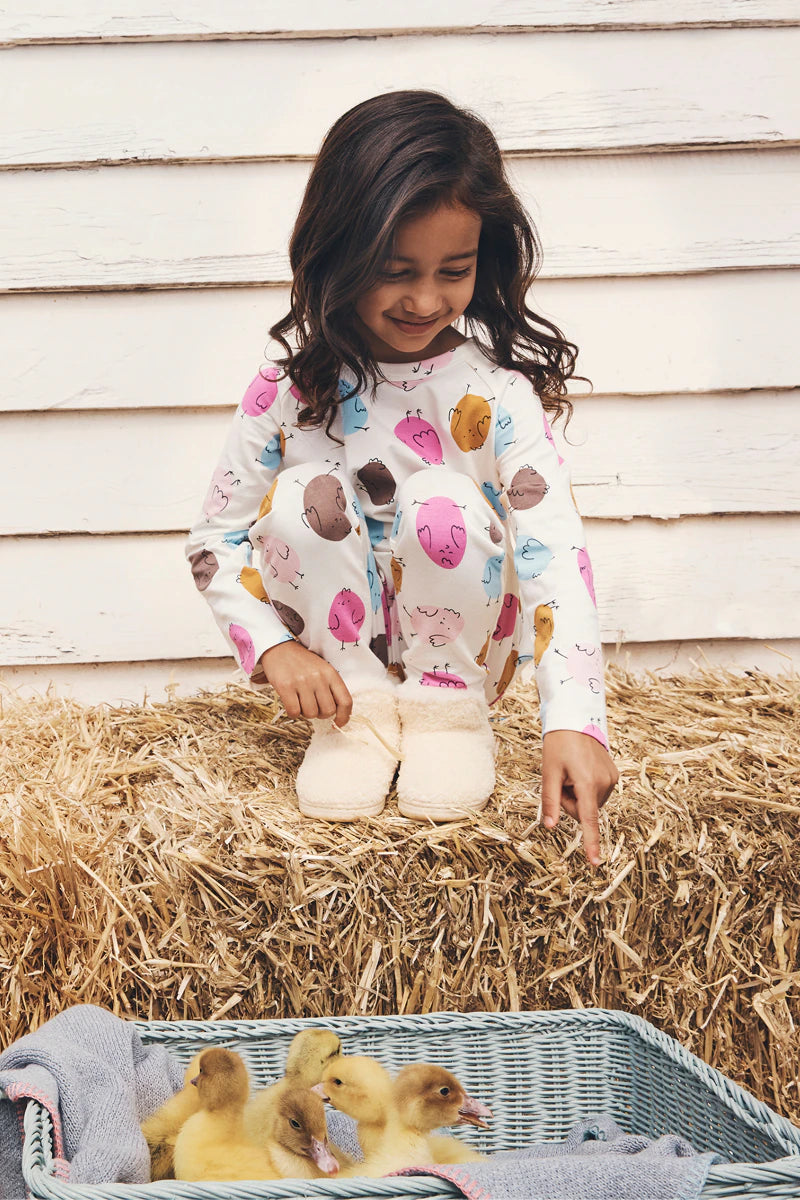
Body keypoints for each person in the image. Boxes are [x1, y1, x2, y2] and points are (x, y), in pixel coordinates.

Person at [185, 90, 618, 863]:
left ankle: (446, 716)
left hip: (465, 653)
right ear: (338, 252)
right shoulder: (288, 389)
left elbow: (554, 551)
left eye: (454, 270)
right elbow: (216, 538)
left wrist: (575, 720)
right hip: (340, 672)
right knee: (303, 495)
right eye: (394, 272)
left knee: (439, 498)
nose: (424, 299)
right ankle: (358, 722)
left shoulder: (498, 395)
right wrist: (274, 649)